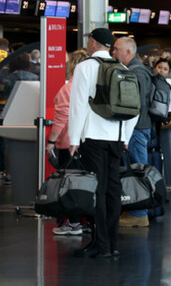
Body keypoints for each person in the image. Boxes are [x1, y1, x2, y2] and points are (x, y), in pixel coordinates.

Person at [68, 28, 138, 258]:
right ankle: (112, 243)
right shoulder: (123, 68)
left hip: (93, 138)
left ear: (93, 42)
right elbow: (133, 109)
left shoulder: (85, 67)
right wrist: (125, 137)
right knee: (112, 192)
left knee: (97, 190)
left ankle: (100, 245)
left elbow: (78, 104)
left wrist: (74, 138)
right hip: (116, 138)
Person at [112, 37, 154, 228]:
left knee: (137, 170)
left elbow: (134, 105)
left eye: (116, 49)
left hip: (136, 130)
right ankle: (136, 210)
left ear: (128, 52)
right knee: (134, 169)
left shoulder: (135, 73)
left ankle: (139, 213)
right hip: (139, 128)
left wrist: (126, 134)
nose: (114, 53)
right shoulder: (139, 71)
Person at [47, 49, 88, 236]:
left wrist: (51, 140)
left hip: (69, 142)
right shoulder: (92, 86)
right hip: (89, 141)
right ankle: (87, 220)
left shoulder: (68, 89)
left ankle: (72, 222)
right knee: (87, 182)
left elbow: (62, 117)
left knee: (70, 183)